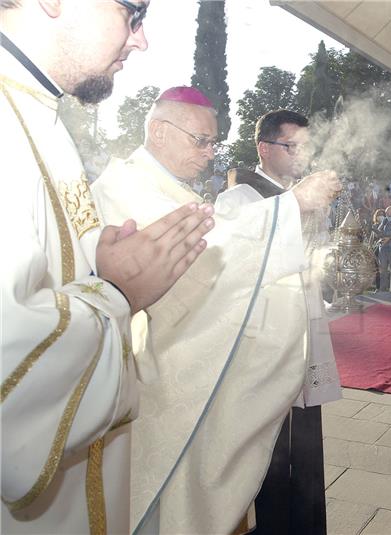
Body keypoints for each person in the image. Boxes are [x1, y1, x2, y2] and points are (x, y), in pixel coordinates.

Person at [1, 4, 216, 534]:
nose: (140, 40)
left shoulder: (37, 112)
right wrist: (114, 290)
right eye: (132, 11)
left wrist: (96, 255)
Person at [91, 88, 341, 534]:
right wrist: (292, 206)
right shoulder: (125, 186)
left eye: (213, 143)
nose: (210, 154)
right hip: (146, 373)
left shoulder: (165, 186)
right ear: (159, 131)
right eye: (200, 140)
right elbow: (201, 261)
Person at [247, 108, 342, 535]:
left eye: (306, 146)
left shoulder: (292, 194)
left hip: (301, 338)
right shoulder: (242, 197)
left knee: (303, 452)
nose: (302, 154)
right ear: (265, 148)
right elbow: (248, 258)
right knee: (269, 460)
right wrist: (297, 203)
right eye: (293, 146)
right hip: (264, 350)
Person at [376, 205, 391, 291]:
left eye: (388, 211)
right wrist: (378, 235)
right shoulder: (384, 220)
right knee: (382, 270)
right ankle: (382, 288)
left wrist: (390, 238)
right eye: (386, 211)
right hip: (382, 248)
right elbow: (379, 230)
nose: (386, 213)